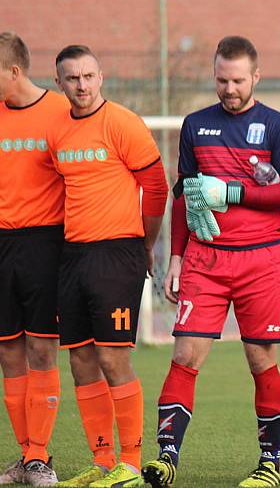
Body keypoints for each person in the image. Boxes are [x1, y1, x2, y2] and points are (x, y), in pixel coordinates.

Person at [141, 36, 280, 488]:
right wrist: (175, 257)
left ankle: (269, 464)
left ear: (256, 77)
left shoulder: (278, 126)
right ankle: (166, 458)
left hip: (262, 261)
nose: (229, 88)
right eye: (221, 79)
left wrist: (232, 192)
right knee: (185, 355)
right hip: (205, 261)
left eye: (237, 80)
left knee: (261, 360)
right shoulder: (196, 125)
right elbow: (183, 198)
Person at [48, 45, 168, 488]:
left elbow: (156, 189)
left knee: (113, 358)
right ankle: (101, 461)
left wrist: (147, 244)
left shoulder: (122, 123)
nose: (81, 86)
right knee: (80, 359)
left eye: (88, 76)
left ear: (102, 77)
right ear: (58, 82)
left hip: (117, 251)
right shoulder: (56, 130)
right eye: (72, 78)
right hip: (73, 255)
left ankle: (132, 465)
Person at [0, 32, 70, 487]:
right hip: (1, 245)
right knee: (8, 350)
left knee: (42, 347)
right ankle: (24, 456)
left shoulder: (61, 113)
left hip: (47, 244)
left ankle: (39, 457)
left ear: (14, 71)